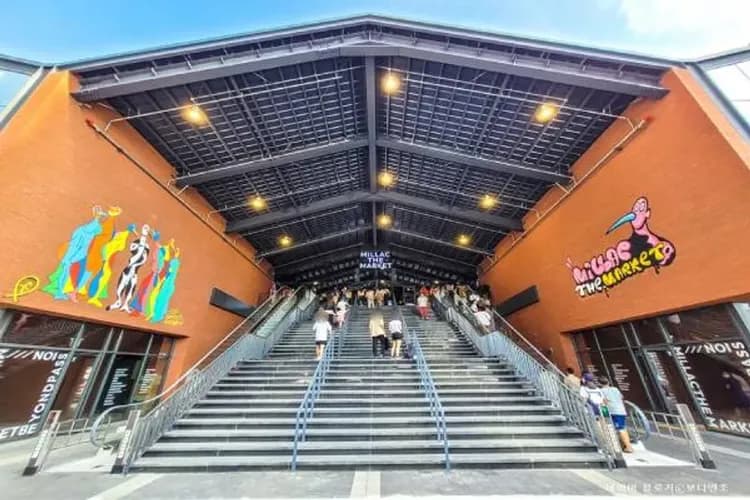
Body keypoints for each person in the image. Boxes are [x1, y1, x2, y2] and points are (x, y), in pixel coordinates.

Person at [599, 376, 634, 453]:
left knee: (620, 429)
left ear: (600, 384)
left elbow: (604, 401)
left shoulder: (601, 391)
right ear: (608, 382)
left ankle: (628, 447)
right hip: (621, 410)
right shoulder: (615, 389)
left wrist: (603, 411)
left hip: (613, 411)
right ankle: (624, 445)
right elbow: (621, 397)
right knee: (622, 428)